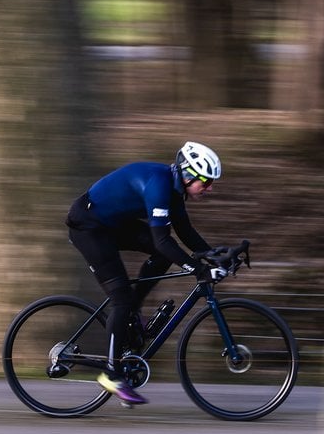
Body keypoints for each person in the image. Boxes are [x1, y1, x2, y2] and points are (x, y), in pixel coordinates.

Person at [65, 141, 223, 405]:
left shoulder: (174, 191)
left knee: (157, 262)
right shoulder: (159, 185)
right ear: (187, 175)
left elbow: (186, 233)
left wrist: (219, 255)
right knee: (121, 297)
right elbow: (163, 240)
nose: (209, 188)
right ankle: (111, 375)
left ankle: (131, 312)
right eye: (205, 183)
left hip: (111, 224)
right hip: (88, 226)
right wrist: (197, 269)